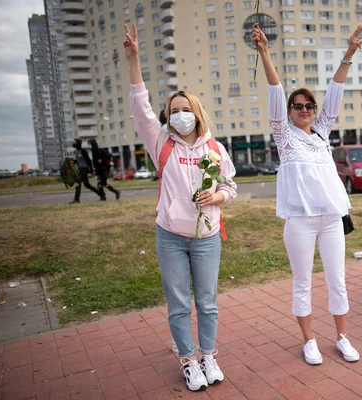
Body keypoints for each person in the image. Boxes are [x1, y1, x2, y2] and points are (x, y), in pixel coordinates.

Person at [124, 23, 237, 392]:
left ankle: (208, 355)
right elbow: (140, 106)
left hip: (206, 237)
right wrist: (134, 59)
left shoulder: (216, 150)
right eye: (173, 110)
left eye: (185, 109)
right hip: (171, 237)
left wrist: (218, 197)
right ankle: (188, 361)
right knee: (178, 304)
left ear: (197, 112)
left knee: (207, 303)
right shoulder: (161, 144)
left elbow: (230, 187)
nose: (180, 115)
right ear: (167, 116)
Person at [254, 22, 361, 364]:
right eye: (297, 105)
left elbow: (336, 91)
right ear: (288, 111)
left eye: (308, 106)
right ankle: (309, 340)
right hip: (300, 221)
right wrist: (264, 53)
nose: (304, 110)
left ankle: (342, 337)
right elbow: (274, 89)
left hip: (331, 219)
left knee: (337, 281)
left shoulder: (322, 134)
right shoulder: (284, 138)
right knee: (302, 283)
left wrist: (348, 54)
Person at [69, 138, 104, 204]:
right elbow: (78, 161)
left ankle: (76, 199)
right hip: (80, 169)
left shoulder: (83, 151)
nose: (73, 143)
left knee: (78, 182)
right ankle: (101, 194)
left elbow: (88, 160)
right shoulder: (75, 152)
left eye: (74, 142)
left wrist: (90, 169)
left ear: (78, 143)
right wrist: (73, 162)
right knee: (87, 185)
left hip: (84, 169)